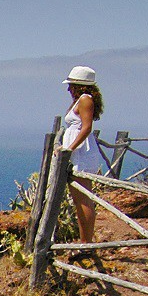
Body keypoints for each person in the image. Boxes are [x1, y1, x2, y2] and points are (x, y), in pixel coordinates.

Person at [58, 65, 107, 243]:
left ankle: (86, 242)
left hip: (81, 153)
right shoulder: (82, 100)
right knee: (79, 200)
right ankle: (84, 240)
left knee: (83, 199)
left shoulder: (85, 100)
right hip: (78, 152)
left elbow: (86, 128)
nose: (69, 88)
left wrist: (70, 147)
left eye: (71, 84)